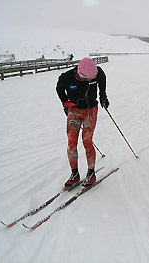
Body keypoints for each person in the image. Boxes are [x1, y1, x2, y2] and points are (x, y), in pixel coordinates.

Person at [56, 57, 109, 188]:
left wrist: (103, 96)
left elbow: (102, 78)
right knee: (71, 142)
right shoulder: (66, 78)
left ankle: (91, 173)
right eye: (88, 79)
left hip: (91, 110)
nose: (91, 80)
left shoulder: (97, 73)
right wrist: (65, 103)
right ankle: (75, 174)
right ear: (81, 75)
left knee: (87, 141)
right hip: (74, 111)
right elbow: (59, 89)